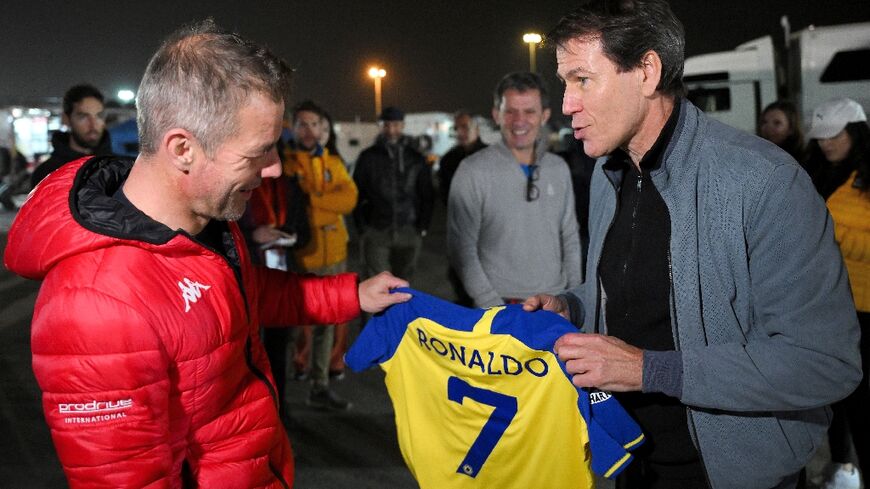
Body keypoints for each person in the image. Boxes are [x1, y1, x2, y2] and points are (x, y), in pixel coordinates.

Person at [3, 20, 409, 488]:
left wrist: (352, 295)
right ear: (183, 149)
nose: (274, 167)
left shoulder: (207, 223)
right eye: (257, 152)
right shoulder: (96, 305)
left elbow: (242, 296)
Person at [523, 2, 862, 488]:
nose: (566, 104)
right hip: (629, 462)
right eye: (564, 83)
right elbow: (641, 291)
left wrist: (646, 370)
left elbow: (825, 362)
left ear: (646, 71)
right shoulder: (607, 175)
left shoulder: (765, 182)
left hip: (733, 476)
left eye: (582, 80)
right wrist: (572, 306)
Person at [448, 72, 581, 307]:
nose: (519, 121)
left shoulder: (558, 168)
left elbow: (569, 237)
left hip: (554, 305)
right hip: (501, 306)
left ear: (544, 116)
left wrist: (571, 298)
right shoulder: (471, 171)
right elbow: (462, 249)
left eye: (529, 111)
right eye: (510, 112)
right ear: (496, 115)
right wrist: (493, 306)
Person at [804, 98, 869, 489]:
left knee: (861, 402)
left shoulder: (865, 175)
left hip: (864, 307)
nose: (827, 143)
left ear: (856, 133)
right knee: (834, 396)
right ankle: (842, 469)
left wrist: (831, 235)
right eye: (822, 137)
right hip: (829, 305)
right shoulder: (817, 172)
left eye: (836, 135)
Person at [284, 100, 358, 410]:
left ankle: (320, 385)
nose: (309, 130)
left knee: (329, 323)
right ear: (293, 127)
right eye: (302, 124)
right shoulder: (285, 163)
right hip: (303, 256)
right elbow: (295, 206)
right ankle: (280, 391)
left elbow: (350, 199)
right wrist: (327, 202)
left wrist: (314, 200)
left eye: (314, 124)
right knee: (291, 324)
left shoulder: (332, 160)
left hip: (334, 254)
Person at [353, 106, 435, 281]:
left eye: (396, 125)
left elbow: (427, 194)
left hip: (409, 230)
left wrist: (422, 227)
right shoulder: (367, 157)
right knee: (376, 282)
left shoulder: (416, 158)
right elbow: (356, 192)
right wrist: (362, 227)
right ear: (381, 126)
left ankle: (399, 310)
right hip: (376, 230)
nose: (391, 130)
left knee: (403, 283)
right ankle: (378, 310)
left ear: (403, 125)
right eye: (387, 125)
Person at [438, 110, 487, 306]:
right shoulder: (448, 160)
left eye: (465, 127)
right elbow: (444, 195)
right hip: (461, 233)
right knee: (461, 283)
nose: (460, 132)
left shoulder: (492, 156)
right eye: (457, 128)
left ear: (476, 128)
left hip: (489, 233)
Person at [30, 84, 113, 187]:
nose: (93, 124)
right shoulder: (46, 173)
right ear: (66, 119)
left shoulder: (117, 169)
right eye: (83, 116)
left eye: (99, 116)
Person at [758, 100, 806, 164]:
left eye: (777, 123)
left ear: (791, 128)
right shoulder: (756, 155)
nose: (768, 128)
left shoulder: (802, 161)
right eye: (764, 122)